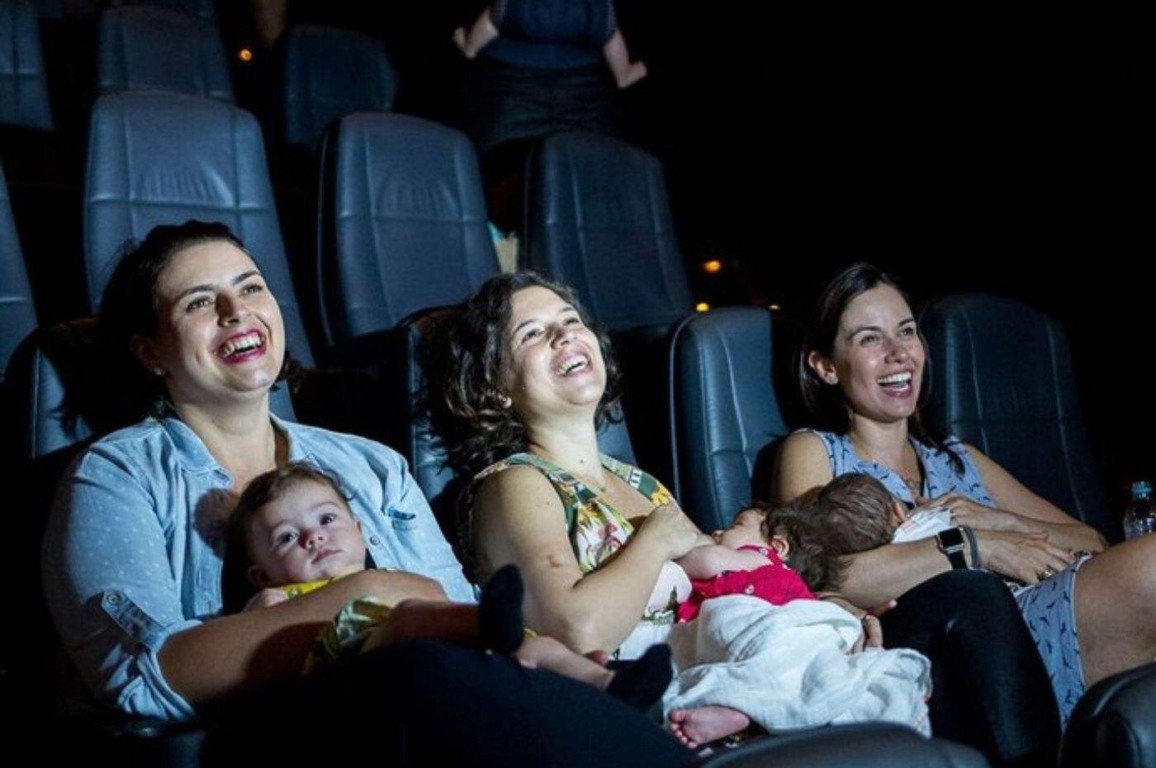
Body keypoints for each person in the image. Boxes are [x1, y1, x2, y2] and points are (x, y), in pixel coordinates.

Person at [40, 220, 694, 766]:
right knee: (424, 678)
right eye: (199, 302)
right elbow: (143, 676)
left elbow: (462, 609)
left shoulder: (369, 463)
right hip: (257, 738)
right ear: (151, 352)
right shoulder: (117, 472)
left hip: (415, 713)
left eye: (251, 288)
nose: (238, 312)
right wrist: (362, 595)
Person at [423, 270, 934, 748]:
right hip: (642, 718)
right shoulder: (515, 483)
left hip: (720, 667)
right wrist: (655, 540)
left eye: (571, 321)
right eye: (532, 334)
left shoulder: (640, 484)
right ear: (494, 385)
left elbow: (723, 583)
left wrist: (828, 615)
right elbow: (575, 628)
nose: (564, 336)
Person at [772, 261, 1156, 738]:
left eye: (907, 332)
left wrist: (1000, 522)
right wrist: (970, 545)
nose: (898, 354)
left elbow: (1090, 540)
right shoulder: (814, 451)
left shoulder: (957, 458)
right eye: (870, 339)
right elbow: (812, 574)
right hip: (948, 640)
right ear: (825, 366)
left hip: (1034, 606)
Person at [226, 460, 673, 709]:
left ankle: (604, 681)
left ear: (362, 531)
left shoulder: (387, 574)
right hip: (348, 655)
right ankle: (484, 620)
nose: (313, 537)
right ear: (262, 573)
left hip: (442, 648)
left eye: (326, 519)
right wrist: (266, 606)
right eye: (286, 537)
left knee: (535, 647)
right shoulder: (276, 595)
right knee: (406, 613)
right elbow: (255, 653)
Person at [454, 3, 647, 89]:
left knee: (493, 17)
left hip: (527, 9)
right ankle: (623, 74)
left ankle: (470, 47)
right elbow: (609, 32)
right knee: (609, 30)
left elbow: (493, 19)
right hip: (582, 11)